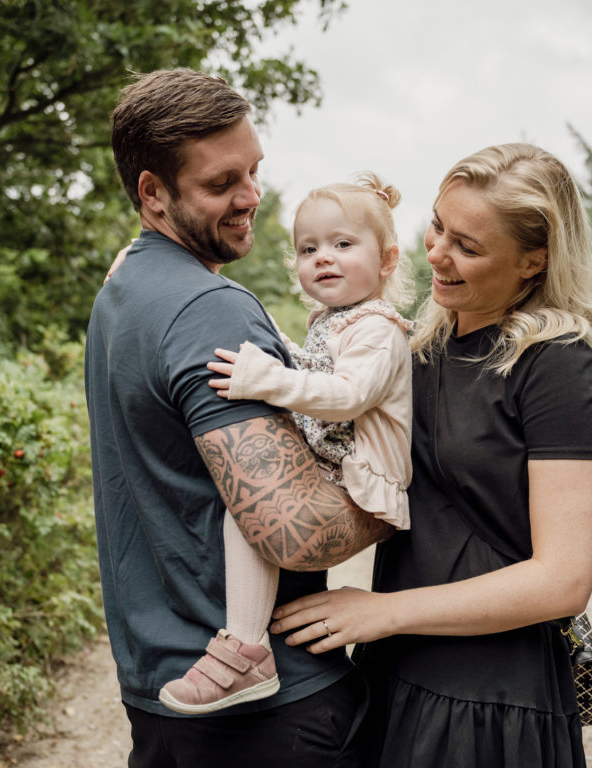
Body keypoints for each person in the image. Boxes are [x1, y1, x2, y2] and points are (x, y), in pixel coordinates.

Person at [266, 143, 592, 768]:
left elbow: (563, 580)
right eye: (437, 226)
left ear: (534, 260)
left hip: (487, 700)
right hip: (395, 667)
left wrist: (383, 611)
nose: (435, 253)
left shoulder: (557, 366)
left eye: (468, 247)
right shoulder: (415, 348)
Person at [84, 68, 391, 768]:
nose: (251, 196)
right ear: (152, 193)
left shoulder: (120, 293)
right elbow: (292, 530)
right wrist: (402, 494)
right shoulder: (211, 310)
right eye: (222, 183)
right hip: (269, 714)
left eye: (253, 171)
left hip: (161, 695)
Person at [159, 173, 415, 714]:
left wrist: (267, 379)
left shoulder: (379, 329)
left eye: (343, 244)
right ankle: (243, 639)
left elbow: (346, 396)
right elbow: (305, 362)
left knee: (257, 511)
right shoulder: (334, 321)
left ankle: (246, 649)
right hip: (333, 468)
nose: (323, 258)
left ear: (387, 260)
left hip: (364, 485)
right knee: (249, 503)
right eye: (308, 248)